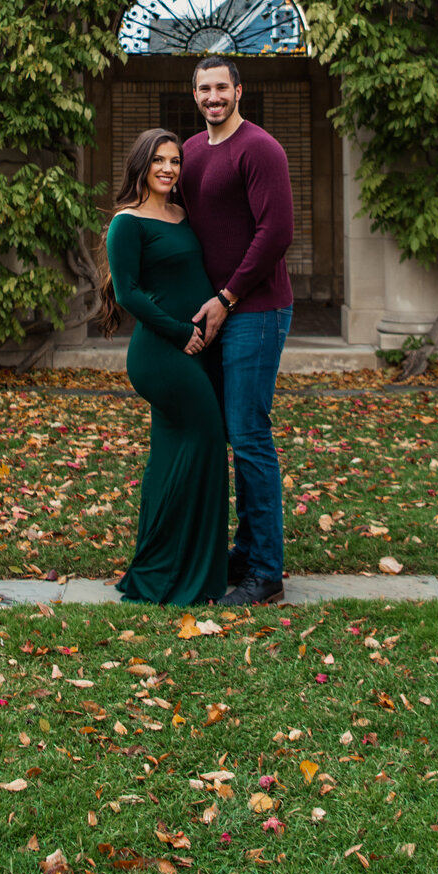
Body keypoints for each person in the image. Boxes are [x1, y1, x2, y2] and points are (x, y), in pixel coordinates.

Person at [179, 53, 293, 606]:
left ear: (239, 91)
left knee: (249, 435)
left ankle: (265, 572)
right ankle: (245, 554)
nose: (213, 97)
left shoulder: (261, 149)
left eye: (221, 87)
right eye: (204, 89)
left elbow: (277, 233)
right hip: (216, 310)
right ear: (194, 94)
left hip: (257, 309)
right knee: (231, 433)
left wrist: (228, 296)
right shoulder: (192, 152)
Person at [103, 128, 228, 606]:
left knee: (171, 454)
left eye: (175, 161)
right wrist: (180, 332)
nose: (168, 169)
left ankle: (168, 563)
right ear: (142, 164)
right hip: (161, 353)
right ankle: (175, 569)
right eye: (158, 160)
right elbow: (127, 292)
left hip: (194, 347)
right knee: (208, 438)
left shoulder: (181, 214)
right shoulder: (127, 223)